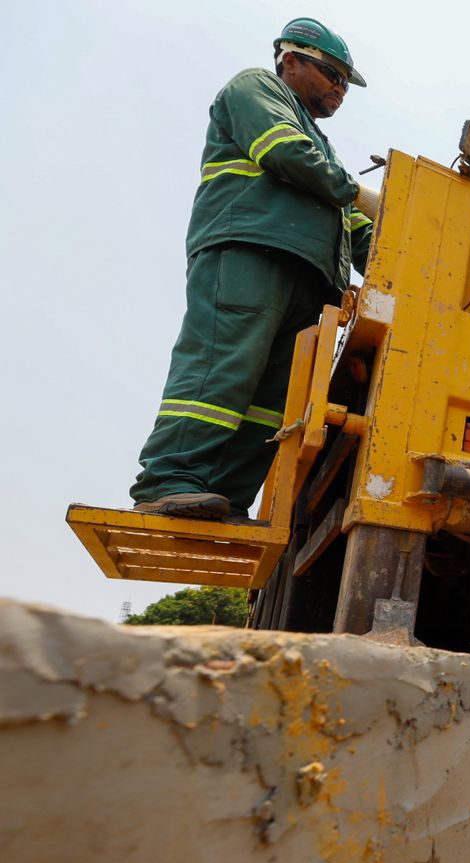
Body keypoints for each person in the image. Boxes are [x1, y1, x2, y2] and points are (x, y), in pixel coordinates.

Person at [129, 18, 373, 519]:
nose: (340, 89)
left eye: (345, 82)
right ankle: (167, 480)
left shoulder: (325, 149)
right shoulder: (256, 88)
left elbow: (359, 230)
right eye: (332, 74)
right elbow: (283, 152)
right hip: (250, 251)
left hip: (312, 280)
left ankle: (226, 498)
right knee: (222, 367)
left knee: (275, 401)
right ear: (291, 59)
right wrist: (363, 192)